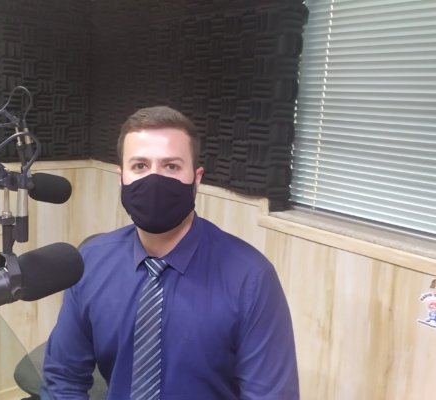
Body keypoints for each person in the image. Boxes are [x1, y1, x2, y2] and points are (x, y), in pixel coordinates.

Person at [42, 106, 299, 399]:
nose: (154, 180)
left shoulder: (250, 279)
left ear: (197, 179)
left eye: (171, 166)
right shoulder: (90, 263)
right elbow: (63, 378)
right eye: (140, 166)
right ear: (121, 177)